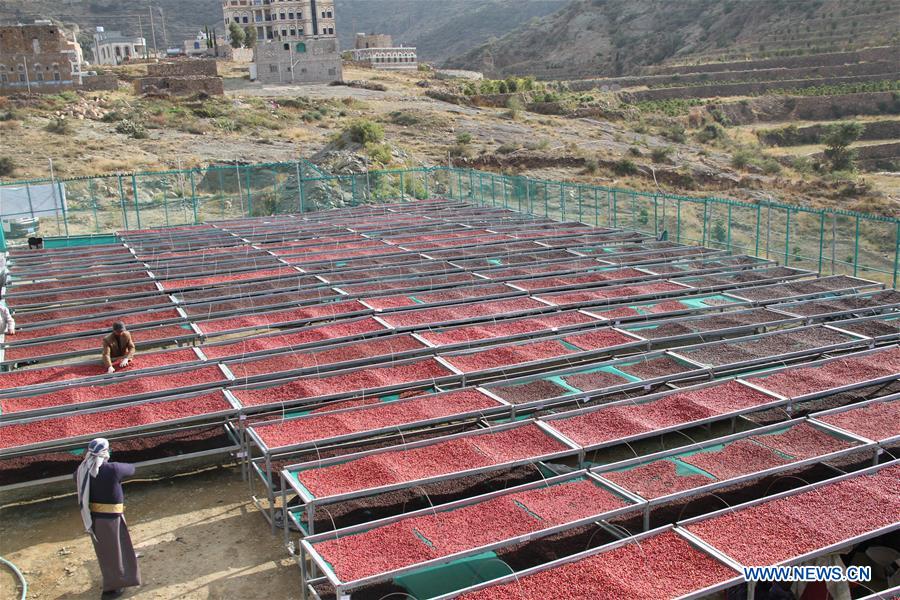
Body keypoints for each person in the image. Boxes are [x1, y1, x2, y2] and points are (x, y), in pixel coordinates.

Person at [75, 438, 141, 598]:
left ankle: (114, 581)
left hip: (94, 519)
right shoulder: (113, 469)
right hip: (112, 518)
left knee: (105, 552)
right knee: (116, 551)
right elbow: (131, 469)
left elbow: (76, 477)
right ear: (105, 452)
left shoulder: (82, 471)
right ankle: (114, 587)